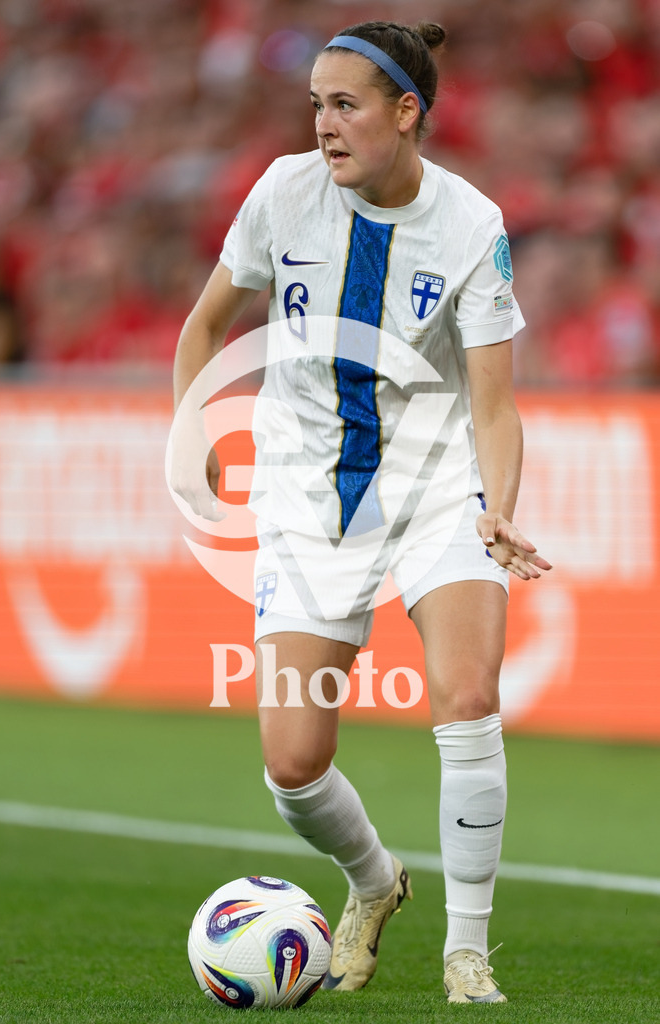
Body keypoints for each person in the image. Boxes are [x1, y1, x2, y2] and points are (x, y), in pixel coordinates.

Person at [171, 20, 552, 1005]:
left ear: (404, 112)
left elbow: (494, 400)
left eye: (343, 104)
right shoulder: (282, 192)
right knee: (293, 767)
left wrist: (495, 509)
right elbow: (207, 321)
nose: (323, 124)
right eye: (314, 104)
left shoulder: (469, 224)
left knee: (465, 696)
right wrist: (190, 429)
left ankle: (466, 949)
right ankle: (374, 882)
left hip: (433, 488)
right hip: (306, 495)